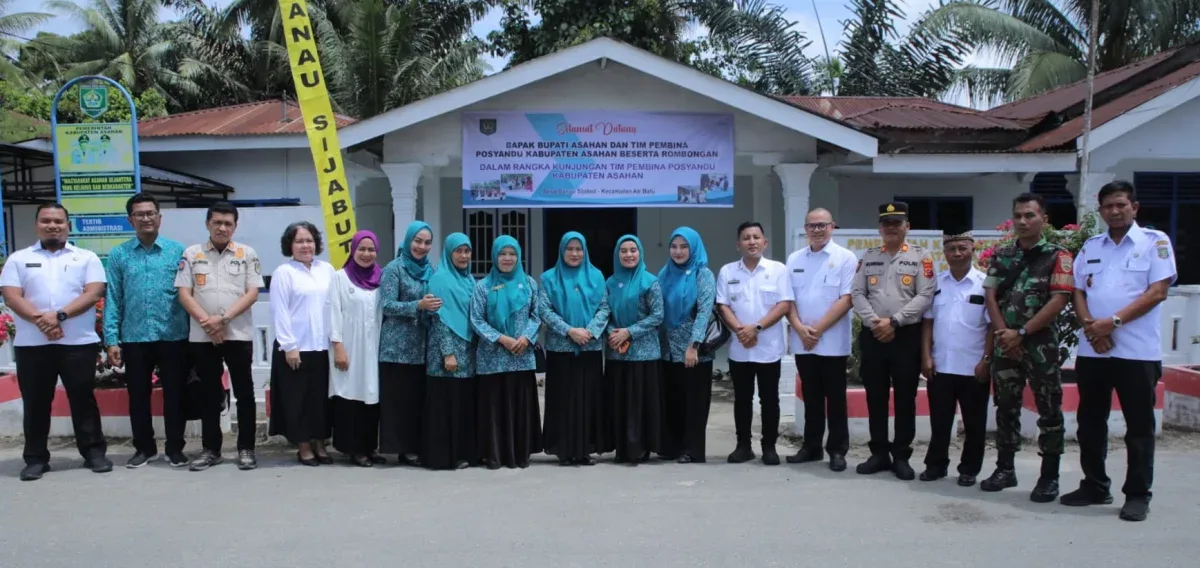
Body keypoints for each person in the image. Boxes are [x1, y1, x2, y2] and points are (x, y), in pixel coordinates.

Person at [1065, 181, 1175, 522]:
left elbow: (1157, 292)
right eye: (1108, 206)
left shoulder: (1154, 242)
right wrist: (1091, 328)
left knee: (1139, 426)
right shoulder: (1091, 247)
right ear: (1100, 211)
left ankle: (1138, 494)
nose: (1114, 211)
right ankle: (1095, 485)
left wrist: (1111, 323)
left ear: (1134, 207)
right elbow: (1077, 290)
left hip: (1137, 353)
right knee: (1090, 423)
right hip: (1093, 351)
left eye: (1121, 205)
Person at [1, 204, 110, 481]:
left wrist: (59, 316)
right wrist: (43, 322)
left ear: (67, 225)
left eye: (59, 221)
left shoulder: (86, 258)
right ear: (37, 224)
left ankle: (94, 452)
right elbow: (12, 296)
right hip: (32, 345)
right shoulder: (18, 259)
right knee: (36, 402)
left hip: (78, 343)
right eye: (46, 221)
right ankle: (36, 458)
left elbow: (94, 292)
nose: (53, 226)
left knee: (83, 398)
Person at [982, 193, 1073, 502]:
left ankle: (1049, 476)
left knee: (1049, 408)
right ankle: (1005, 468)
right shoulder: (1002, 254)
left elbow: (1059, 300)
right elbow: (991, 296)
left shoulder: (1058, 256)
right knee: (1006, 406)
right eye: (1018, 215)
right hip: (1005, 343)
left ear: (1044, 220)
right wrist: (1004, 334)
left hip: (1040, 345)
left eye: (1029, 215)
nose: (1022, 221)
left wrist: (1021, 333)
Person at [103, 193, 191, 469]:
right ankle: (144, 448)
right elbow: (113, 297)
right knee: (138, 396)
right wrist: (111, 339)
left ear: (159, 218)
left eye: (150, 213)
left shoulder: (178, 251)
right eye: (139, 214)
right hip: (135, 336)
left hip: (173, 335)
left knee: (175, 395)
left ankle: (175, 448)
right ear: (130, 220)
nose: (146, 218)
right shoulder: (119, 254)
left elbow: (189, 294)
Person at [175, 202, 264, 471]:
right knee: (208, 394)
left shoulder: (247, 254)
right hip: (203, 337)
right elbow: (184, 294)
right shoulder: (192, 254)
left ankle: (246, 448)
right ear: (208, 224)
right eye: (217, 222)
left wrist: (223, 320)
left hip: (237, 334)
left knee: (244, 393)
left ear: (235, 226)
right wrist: (209, 324)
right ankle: (211, 450)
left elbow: (252, 293)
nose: (222, 228)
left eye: (228, 223)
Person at [851, 201, 936, 480]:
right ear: (880, 228)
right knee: (875, 396)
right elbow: (857, 293)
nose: (891, 228)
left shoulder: (921, 257)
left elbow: (925, 295)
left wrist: (895, 321)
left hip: (905, 336)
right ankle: (878, 453)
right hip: (874, 334)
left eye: (897, 223)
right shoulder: (869, 256)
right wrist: (875, 322)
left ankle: (901, 455)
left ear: (907, 227)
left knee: (905, 398)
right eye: (886, 223)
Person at [715, 221, 794, 465]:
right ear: (738, 244)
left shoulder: (778, 270)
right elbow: (723, 305)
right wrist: (742, 331)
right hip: (740, 348)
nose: (752, 242)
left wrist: (756, 328)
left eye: (756, 237)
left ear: (764, 242)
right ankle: (743, 446)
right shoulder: (728, 271)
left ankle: (769, 447)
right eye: (746, 238)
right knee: (742, 399)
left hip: (769, 348)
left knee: (769, 400)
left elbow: (784, 304)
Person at [919, 227, 993, 486]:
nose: (957, 253)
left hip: (974, 367)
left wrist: (986, 360)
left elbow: (992, 327)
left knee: (974, 423)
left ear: (972, 249)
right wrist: (926, 356)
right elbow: (928, 322)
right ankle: (936, 466)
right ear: (945, 252)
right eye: (951, 249)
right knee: (940, 422)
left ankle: (969, 469)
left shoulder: (984, 284)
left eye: (963, 248)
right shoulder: (936, 283)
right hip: (941, 365)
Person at [784, 209, 856, 472]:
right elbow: (787, 299)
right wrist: (800, 328)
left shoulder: (845, 257)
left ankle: (837, 450)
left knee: (835, 399)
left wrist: (817, 330)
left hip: (832, 342)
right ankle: (811, 447)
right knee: (811, 397)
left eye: (822, 225)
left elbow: (847, 299)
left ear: (832, 227)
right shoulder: (794, 259)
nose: (816, 230)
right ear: (805, 229)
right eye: (812, 226)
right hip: (803, 340)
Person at [469, 236, 543, 469]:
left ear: (519, 256)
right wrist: (502, 339)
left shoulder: (529, 284)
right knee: (495, 407)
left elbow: (537, 315)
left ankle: (520, 454)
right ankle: (494, 454)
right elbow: (476, 320)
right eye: (502, 254)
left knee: (519, 406)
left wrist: (525, 338)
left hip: (521, 355)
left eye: (512, 254)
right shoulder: (483, 286)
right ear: (494, 256)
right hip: (492, 357)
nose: (507, 258)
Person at [538, 231, 611, 466]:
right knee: (563, 400)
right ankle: (563, 449)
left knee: (587, 399)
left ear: (585, 251)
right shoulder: (548, 278)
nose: (574, 253)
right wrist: (570, 331)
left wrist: (589, 331)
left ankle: (584, 450)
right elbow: (544, 310)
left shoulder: (597, 276)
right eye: (569, 249)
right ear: (562, 251)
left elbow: (605, 308)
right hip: (561, 349)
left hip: (589, 347)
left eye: (579, 249)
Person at [269, 221, 337, 466]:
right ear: (290, 245)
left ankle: (320, 443)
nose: (305, 245)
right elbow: (279, 311)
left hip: (323, 347)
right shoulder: (284, 273)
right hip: (296, 348)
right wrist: (289, 346)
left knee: (320, 400)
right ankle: (304, 446)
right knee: (298, 400)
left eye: (309, 240)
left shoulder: (327, 270)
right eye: (299, 241)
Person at [378, 221, 438, 466]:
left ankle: (414, 446)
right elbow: (387, 305)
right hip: (396, 348)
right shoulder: (394, 269)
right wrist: (418, 306)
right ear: (408, 240)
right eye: (417, 241)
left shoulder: (431, 270)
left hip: (422, 346)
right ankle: (400, 448)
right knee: (398, 401)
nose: (422, 247)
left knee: (416, 401)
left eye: (427, 242)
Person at [605, 235, 665, 465]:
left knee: (640, 403)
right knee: (619, 401)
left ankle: (641, 448)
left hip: (644, 353)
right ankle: (622, 448)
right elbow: (605, 313)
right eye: (624, 251)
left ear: (640, 253)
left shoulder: (650, 282)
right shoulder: (610, 283)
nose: (629, 255)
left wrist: (628, 332)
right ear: (617, 254)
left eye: (633, 250)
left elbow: (657, 315)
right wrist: (613, 333)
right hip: (617, 353)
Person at [659, 227, 717, 464]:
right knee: (673, 399)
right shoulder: (665, 274)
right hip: (668, 350)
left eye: (684, 246)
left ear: (693, 248)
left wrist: (694, 345)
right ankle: (673, 447)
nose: (678, 251)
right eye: (674, 246)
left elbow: (704, 312)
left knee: (695, 401)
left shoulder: (703, 274)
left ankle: (693, 450)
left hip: (694, 350)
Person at [328, 231, 385, 467]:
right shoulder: (340, 277)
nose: (366, 254)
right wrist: (338, 346)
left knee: (371, 394)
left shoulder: (381, 277)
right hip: (349, 345)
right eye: (361, 248)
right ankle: (352, 449)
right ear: (353, 250)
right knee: (350, 394)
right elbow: (333, 312)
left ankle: (369, 446)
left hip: (374, 345)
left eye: (371, 249)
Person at [423, 233, 479, 470]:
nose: (464, 256)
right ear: (449, 253)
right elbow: (438, 319)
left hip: (467, 351)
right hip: (445, 355)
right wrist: (447, 353)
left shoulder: (469, 280)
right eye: (458, 251)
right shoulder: (439, 280)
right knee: (444, 405)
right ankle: (442, 457)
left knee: (461, 405)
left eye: (467, 251)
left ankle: (461, 453)